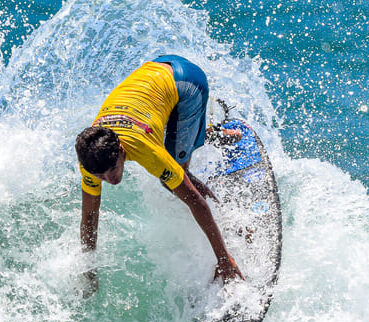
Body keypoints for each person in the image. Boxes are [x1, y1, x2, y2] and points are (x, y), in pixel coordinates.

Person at [75, 54, 243, 294]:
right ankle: (202, 132)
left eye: (112, 170)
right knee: (174, 156)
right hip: (155, 73)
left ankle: (228, 215)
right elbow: (89, 217)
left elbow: (194, 200)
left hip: (186, 81)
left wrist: (224, 259)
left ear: (122, 150)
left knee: (178, 179)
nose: (110, 181)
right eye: (101, 177)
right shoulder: (90, 160)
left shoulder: (146, 151)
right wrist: (89, 271)